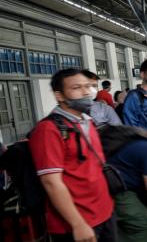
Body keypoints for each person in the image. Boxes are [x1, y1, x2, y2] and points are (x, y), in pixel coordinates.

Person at [29, 69, 115, 242]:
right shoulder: (48, 130)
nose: (86, 92)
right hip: (76, 223)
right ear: (59, 95)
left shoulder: (87, 122)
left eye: (88, 87)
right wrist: (77, 224)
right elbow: (51, 183)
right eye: (76, 88)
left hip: (104, 213)